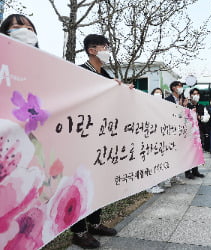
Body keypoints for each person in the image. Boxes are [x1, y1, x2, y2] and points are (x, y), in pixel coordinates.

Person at [69, 34, 122, 249]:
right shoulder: (80, 72)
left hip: (102, 136)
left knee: (97, 180)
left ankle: (95, 222)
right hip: (81, 135)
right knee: (81, 182)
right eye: (104, 47)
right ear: (92, 50)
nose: (107, 50)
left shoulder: (107, 76)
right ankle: (79, 231)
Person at [164, 81, 186, 186]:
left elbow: (185, 116)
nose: (181, 88)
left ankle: (175, 175)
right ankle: (168, 177)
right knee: (170, 154)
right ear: (173, 88)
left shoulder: (183, 100)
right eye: (179, 86)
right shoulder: (167, 100)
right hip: (170, 130)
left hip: (181, 130)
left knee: (178, 154)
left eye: (181, 86)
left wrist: (184, 107)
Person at [146, 88, 166, 194]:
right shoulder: (148, 105)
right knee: (151, 161)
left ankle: (155, 184)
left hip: (159, 138)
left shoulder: (163, 106)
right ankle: (150, 185)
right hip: (150, 138)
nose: (159, 94)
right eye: (156, 92)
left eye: (160, 93)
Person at [185, 88, 209, 178]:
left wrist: (199, 117)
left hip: (199, 132)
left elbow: (206, 118)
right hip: (188, 133)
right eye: (194, 94)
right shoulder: (186, 105)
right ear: (190, 95)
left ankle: (195, 171)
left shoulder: (202, 106)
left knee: (197, 153)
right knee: (188, 153)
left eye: (198, 94)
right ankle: (187, 172)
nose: (196, 96)